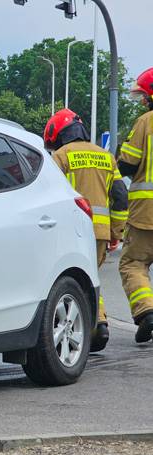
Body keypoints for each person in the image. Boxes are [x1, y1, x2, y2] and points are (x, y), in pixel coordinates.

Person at [45, 109, 128, 352]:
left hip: (71, 230)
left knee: (76, 281)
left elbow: (48, 193)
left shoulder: (61, 156)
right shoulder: (106, 156)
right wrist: (116, 232)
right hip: (101, 232)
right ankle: (99, 324)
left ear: (60, 134)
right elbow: (120, 197)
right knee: (90, 278)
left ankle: (96, 325)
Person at [118, 67, 153, 343]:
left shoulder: (146, 122)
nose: (142, 101)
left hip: (146, 213)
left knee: (133, 263)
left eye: (144, 96)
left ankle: (147, 312)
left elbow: (128, 163)